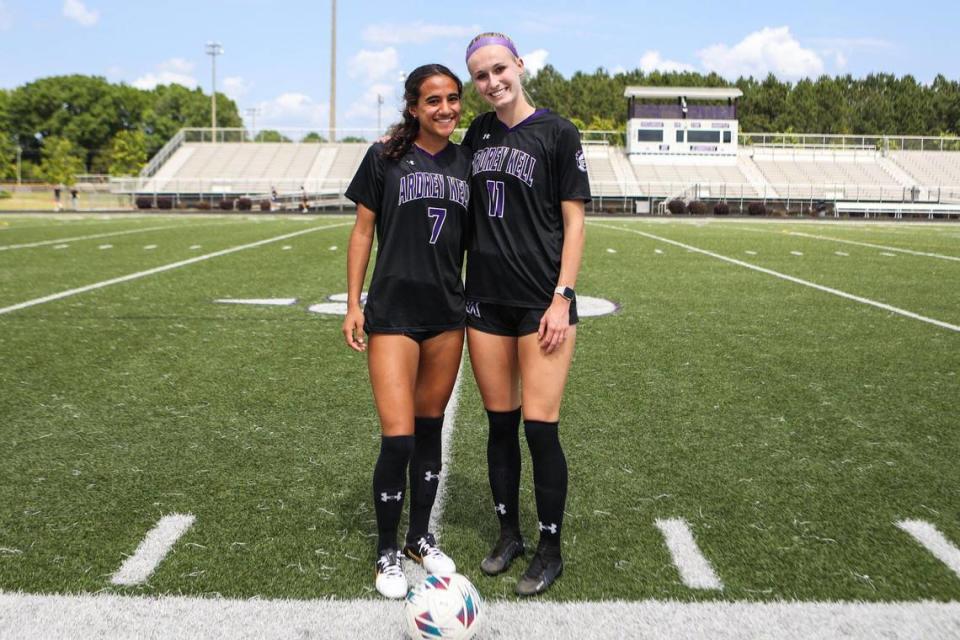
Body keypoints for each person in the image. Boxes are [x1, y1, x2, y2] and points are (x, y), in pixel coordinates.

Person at [462, 32, 590, 596]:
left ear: (518, 64)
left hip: (543, 305)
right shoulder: (477, 132)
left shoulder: (558, 132)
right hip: (485, 303)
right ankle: (509, 534)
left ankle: (550, 548)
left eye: (498, 70)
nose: (492, 83)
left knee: (541, 430)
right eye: (480, 77)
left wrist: (563, 296)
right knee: (499, 426)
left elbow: (575, 221)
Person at [342, 63, 472, 599]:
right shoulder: (385, 157)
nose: (445, 109)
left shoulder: (470, 163)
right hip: (393, 312)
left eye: (453, 99)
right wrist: (353, 303)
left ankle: (421, 538)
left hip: (447, 315)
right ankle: (387, 550)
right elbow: (362, 231)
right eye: (433, 100)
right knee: (397, 439)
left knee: (429, 430)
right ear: (414, 107)